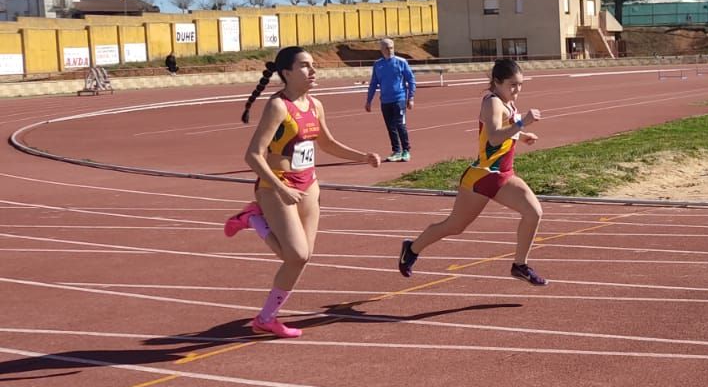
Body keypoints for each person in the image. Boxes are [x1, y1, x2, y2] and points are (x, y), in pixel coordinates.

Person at [225, 47, 381, 338]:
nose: (313, 71)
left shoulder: (315, 105)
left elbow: (328, 143)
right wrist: (281, 188)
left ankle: (266, 317)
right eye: (305, 66)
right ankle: (255, 220)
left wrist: (363, 156)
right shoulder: (278, 107)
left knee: (302, 256)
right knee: (295, 255)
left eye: (313, 66)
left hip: (308, 185)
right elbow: (253, 155)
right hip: (276, 186)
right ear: (286, 73)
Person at [398, 58, 548, 286]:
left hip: (503, 175)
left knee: (533, 212)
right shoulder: (492, 103)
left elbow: (497, 134)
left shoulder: (507, 102)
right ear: (497, 82)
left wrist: (522, 135)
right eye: (512, 85)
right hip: (482, 177)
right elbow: (496, 136)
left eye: (520, 84)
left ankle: (520, 265)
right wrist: (523, 124)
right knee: (455, 226)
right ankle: (412, 248)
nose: (517, 90)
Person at [365, 38, 416, 162]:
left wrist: (411, 98)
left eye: (391, 47)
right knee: (390, 127)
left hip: (399, 99)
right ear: (381, 49)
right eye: (387, 48)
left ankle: (406, 150)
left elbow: (411, 80)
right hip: (385, 101)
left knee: (400, 124)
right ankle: (396, 151)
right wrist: (369, 100)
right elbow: (373, 83)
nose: (390, 50)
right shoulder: (378, 64)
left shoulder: (401, 62)